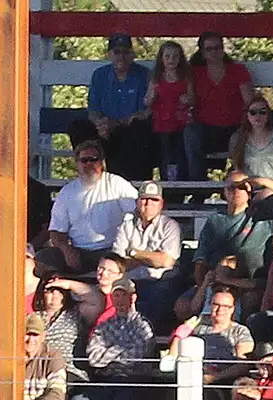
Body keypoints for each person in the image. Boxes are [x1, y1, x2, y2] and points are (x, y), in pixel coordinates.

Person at [194, 171, 273, 301]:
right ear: (224, 192)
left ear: (250, 191)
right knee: (182, 306)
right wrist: (201, 291)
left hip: (254, 282)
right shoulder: (214, 221)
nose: (236, 191)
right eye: (232, 187)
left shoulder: (265, 213)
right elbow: (200, 261)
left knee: (251, 299)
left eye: (242, 187)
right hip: (219, 282)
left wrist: (265, 182)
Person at [39, 142, 138, 276]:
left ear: (102, 163)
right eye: (84, 160)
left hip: (112, 250)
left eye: (93, 159)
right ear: (77, 164)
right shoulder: (67, 192)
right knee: (44, 257)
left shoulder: (117, 184)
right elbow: (56, 231)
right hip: (79, 252)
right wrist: (66, 250)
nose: (89, 164)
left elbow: (139, 212)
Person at [69, 33, 154, 182]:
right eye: (117, 52)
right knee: (78, 127)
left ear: (132, 54)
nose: (121, 56)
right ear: (109, 54)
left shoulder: (144, 75)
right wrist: (100, 124)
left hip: (129, 129)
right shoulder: (100, 75)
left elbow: (145, 111)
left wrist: (118, 123)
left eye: (126, 52)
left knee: (138, 129)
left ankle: (132, 184)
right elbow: (93, 108)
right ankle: (89, 174)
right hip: (104, 129)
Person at [111, 179, 183, 330]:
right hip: (131, 280)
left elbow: (166, 261)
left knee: (159, 296)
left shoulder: (171, 226)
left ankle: (145, 338)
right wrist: (152, 259)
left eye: (154, 199)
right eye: (144, 199)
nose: (148, 203)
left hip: (161, 282)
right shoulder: (126, 226)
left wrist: (133, 253)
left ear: (161, 203)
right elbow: (118, 263)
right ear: (137, 202)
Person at [184, 33, 255, 181]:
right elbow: (188, 98)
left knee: (239, 139)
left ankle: (237, 182)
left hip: (235, 126)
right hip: (206, 128)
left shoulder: (237, 70)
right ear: (202, 52)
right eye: (209, 49)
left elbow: (249, 101)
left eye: (217, 48)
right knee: (191, 133)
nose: (214, 52)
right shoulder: (195, 73)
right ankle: (198, 185)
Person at [85, 276, 155, 400]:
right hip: (106, 379)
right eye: (116, 295)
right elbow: (94, 359)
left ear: (132, 297)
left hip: (133, 381)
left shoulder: (142, 325)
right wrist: (122, 348)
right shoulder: (103, 326)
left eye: (124, 295)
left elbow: (136, 358)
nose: (120, 299)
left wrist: (107, 352)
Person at [145, 41, 195, 182]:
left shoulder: (185, 78)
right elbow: (147, 101)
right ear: (161, 58)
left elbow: (192, 99)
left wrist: (187, 99)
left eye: (175, 56)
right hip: (162, 123)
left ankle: (181, 181)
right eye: (167, 56)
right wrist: (152, 96)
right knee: (166, 154)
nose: (171, 60)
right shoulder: (156, 78)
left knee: (181, 153)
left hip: (181, 122)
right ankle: (167, 181)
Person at [227, 96, 273, 191]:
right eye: (253, 112)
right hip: (248, 191)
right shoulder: (237, 139)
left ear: (268, 114)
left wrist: (271, 190)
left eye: (262, 112)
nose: (257, 116)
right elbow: (236, 172)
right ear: (246, 115)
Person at [24, 314, 68, 400]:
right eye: (27, 334)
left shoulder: (53, 356)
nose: (30, 340)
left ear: (43, 336)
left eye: (35, 335)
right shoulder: (8, 355)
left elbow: (56, 393)